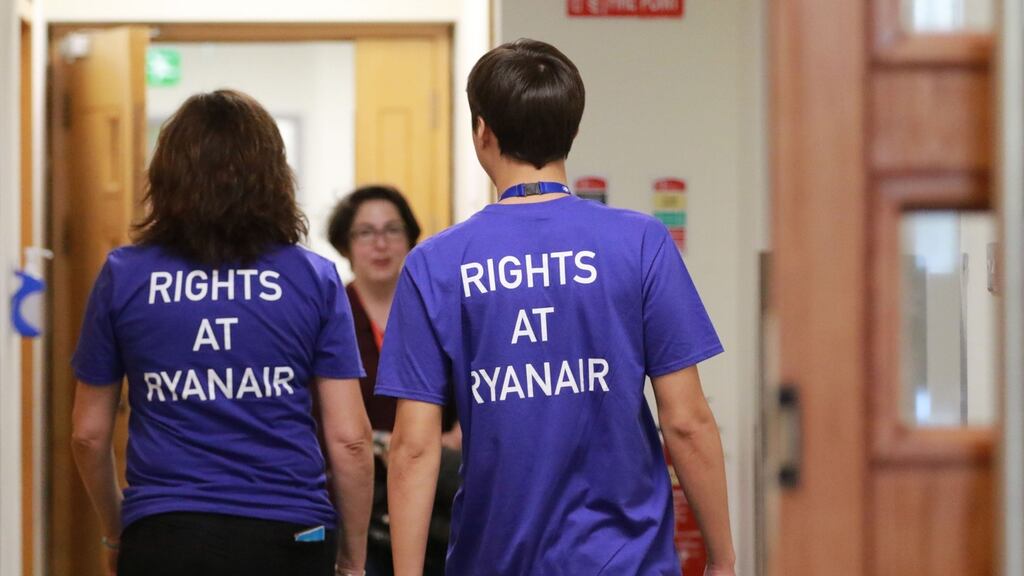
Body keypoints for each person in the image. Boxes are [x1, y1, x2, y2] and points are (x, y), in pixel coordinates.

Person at [376, 39, 737, 575]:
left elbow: (412, 448)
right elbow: (686, 422)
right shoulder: (641, 242)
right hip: (627, 562)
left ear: (482, 133)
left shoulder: (436, 263)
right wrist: (724, 560)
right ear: (571, 128)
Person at [70, 89, 373, 576]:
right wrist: (354, 559)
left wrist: (117, 528)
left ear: (166, 177)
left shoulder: (123, 276)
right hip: (292, 533)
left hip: (165, 533)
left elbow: (88, 435)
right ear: (274, 178)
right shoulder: (313, 278)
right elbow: (351, 440)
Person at [327, 185, 461, 576]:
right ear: (345, 244)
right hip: (355, 502)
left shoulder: (438, 310)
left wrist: (456, 435)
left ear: (410, 239)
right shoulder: (331, 314)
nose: (380, 244)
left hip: (434, 498)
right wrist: (386, 443)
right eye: (366, 232)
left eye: (392, 230)